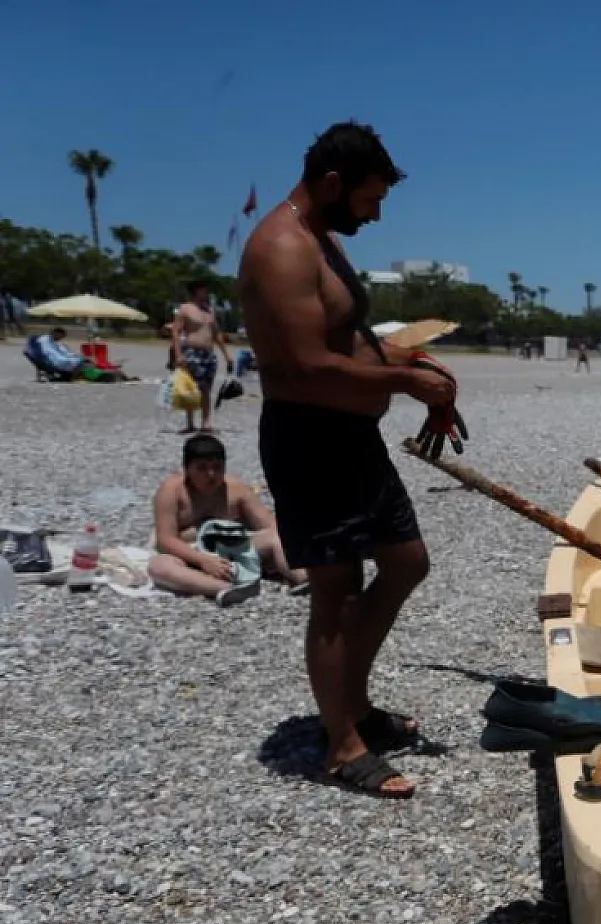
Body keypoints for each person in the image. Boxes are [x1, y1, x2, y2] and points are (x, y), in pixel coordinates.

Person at [238, 120, 460, 799]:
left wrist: (413, 365)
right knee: (334, 590)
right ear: (332, 183)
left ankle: (351, 702)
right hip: (310, 440)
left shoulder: (323, 242)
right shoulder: (281, 247)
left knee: (405, 560)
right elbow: (304, 367)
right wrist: (401, 382)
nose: (376, 214)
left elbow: (350, 341)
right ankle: (341, 744)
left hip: (351, 439)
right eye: (369, 199)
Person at [148, 433, 308, 605]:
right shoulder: (171, 491)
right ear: (187, 469)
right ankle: (224, 587)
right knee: (159, 567)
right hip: (190, 554)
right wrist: (203, 560)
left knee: (275, 537)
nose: (211, 474)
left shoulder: (236, 489)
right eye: (202, 468)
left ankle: (302, 578)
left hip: (235, 549)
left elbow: (271, 526)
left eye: (217, 467)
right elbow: (165, 540)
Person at [171, 278, 235, 434]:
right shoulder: (185, 309)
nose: (206, 293)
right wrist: (178, 354)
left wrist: (226, 354)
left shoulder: (209, 311)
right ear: (196, 291)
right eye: (203, 290)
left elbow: (217, 333)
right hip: (192, 351)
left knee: (207, 387)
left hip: (209, 353)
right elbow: (176, 331)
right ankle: (190, 422)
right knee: (192, 387)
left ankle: (206, 422)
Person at [25, 327, 98, 381]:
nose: (61, 338)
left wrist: (77, 356)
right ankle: (72, 378)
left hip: (57, 358)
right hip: (55, 360)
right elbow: (51, 353)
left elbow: (63, 352)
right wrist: (76, 358)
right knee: (81, 362)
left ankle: (76, 376)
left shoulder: (53, 341)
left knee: (85, 360)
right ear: (56, 333)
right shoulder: (45, 340)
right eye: (61, 336)